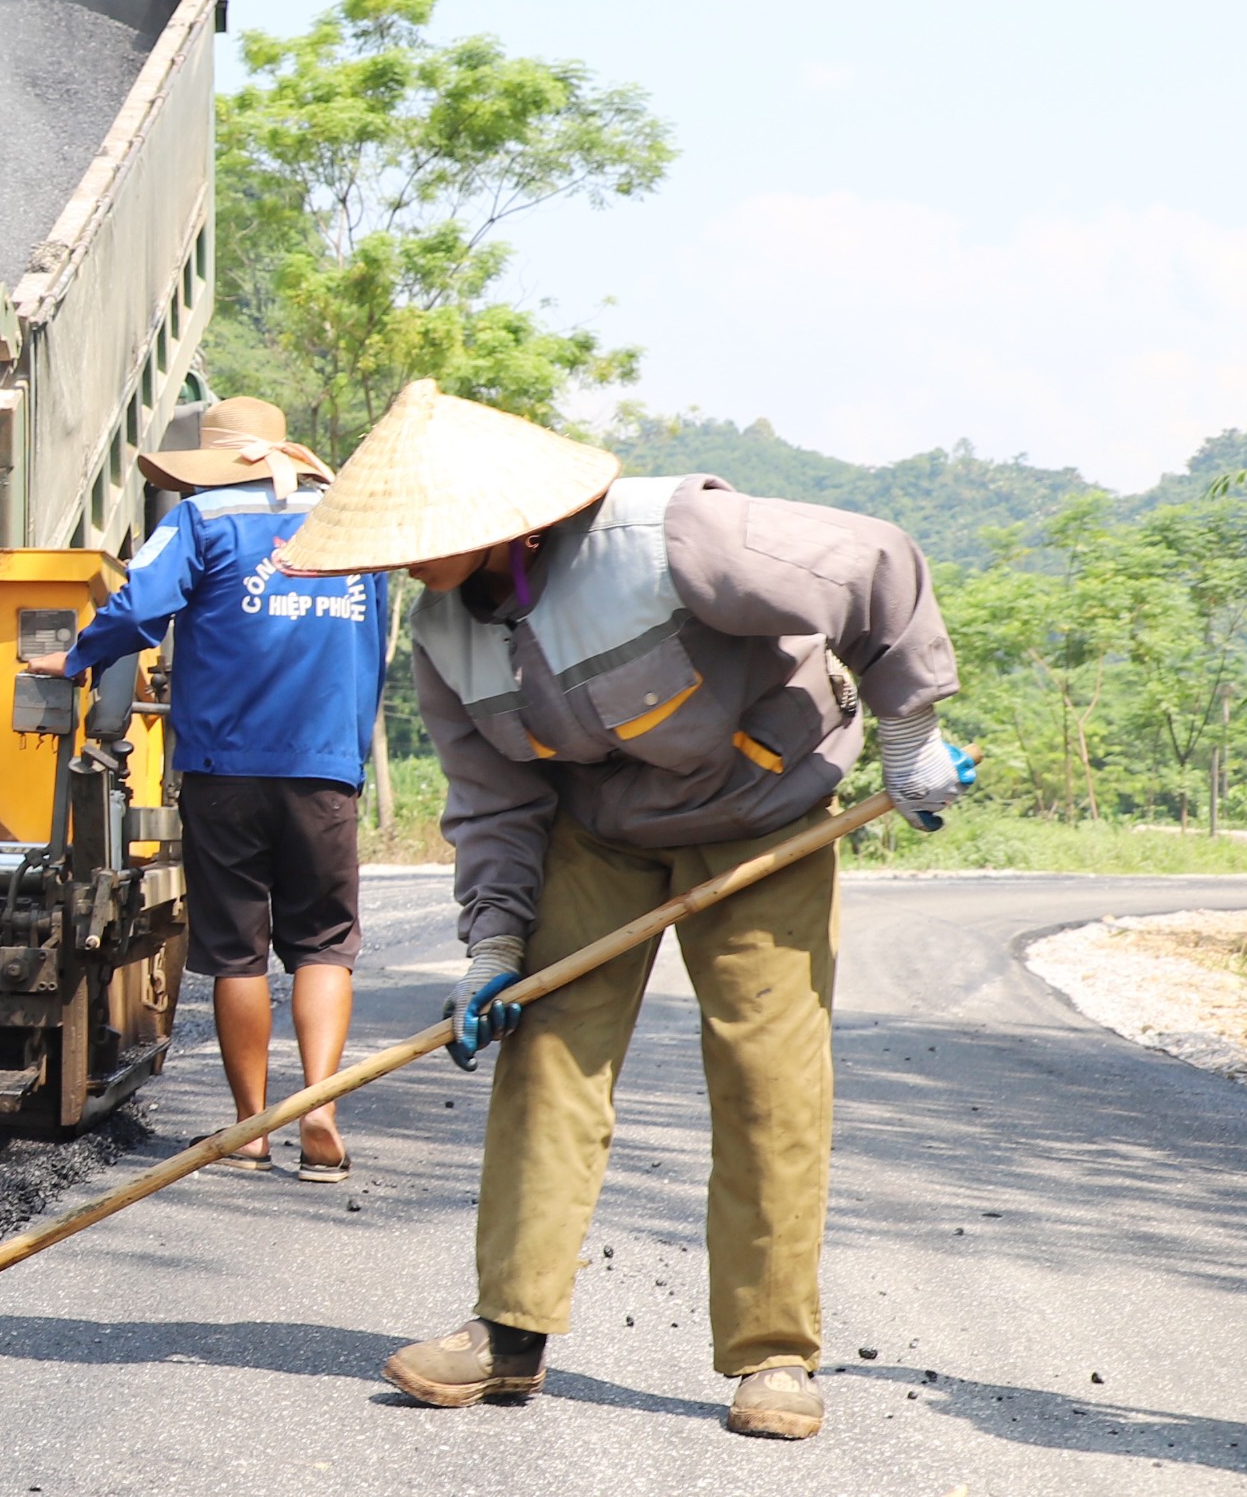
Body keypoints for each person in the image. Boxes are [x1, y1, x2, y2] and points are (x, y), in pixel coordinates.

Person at [273, 380, 970, 1440]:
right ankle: (507, 1332)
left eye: (420, 539)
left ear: (498, 520)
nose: (405, 563)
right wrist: (495, 941)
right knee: (548, 1050)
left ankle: (773, 1352)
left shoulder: (672, 538)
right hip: (599, 832)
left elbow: (874, 562)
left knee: (768, 1077)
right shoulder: (445, 635)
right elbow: (493, 801)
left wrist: (908, 732)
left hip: (765, 812)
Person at [26, 396, 390, 1180]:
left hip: (226, 769)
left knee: (239, 955)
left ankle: (252, 1131)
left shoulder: (202, 518)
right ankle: (319, 1112)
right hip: (324, 770)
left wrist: (78, 656)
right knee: (325, 947)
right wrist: (346, 754)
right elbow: (373, 647)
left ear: (213, 462)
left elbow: (140, 607)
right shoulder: (353, 524)